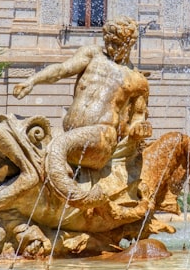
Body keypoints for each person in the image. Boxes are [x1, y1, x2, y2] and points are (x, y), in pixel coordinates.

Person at [13, 17, 151, 208]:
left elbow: (138, 116)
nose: (111, 48)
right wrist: (32, 81)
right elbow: (62, 69)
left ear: (130, 44)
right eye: (108, 43)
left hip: (102, 138)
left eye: (117, 44)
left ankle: (78, 199)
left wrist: (138, 129)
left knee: (58, 147)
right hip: (72, 135)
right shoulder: (92, 55)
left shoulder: (137, 80)